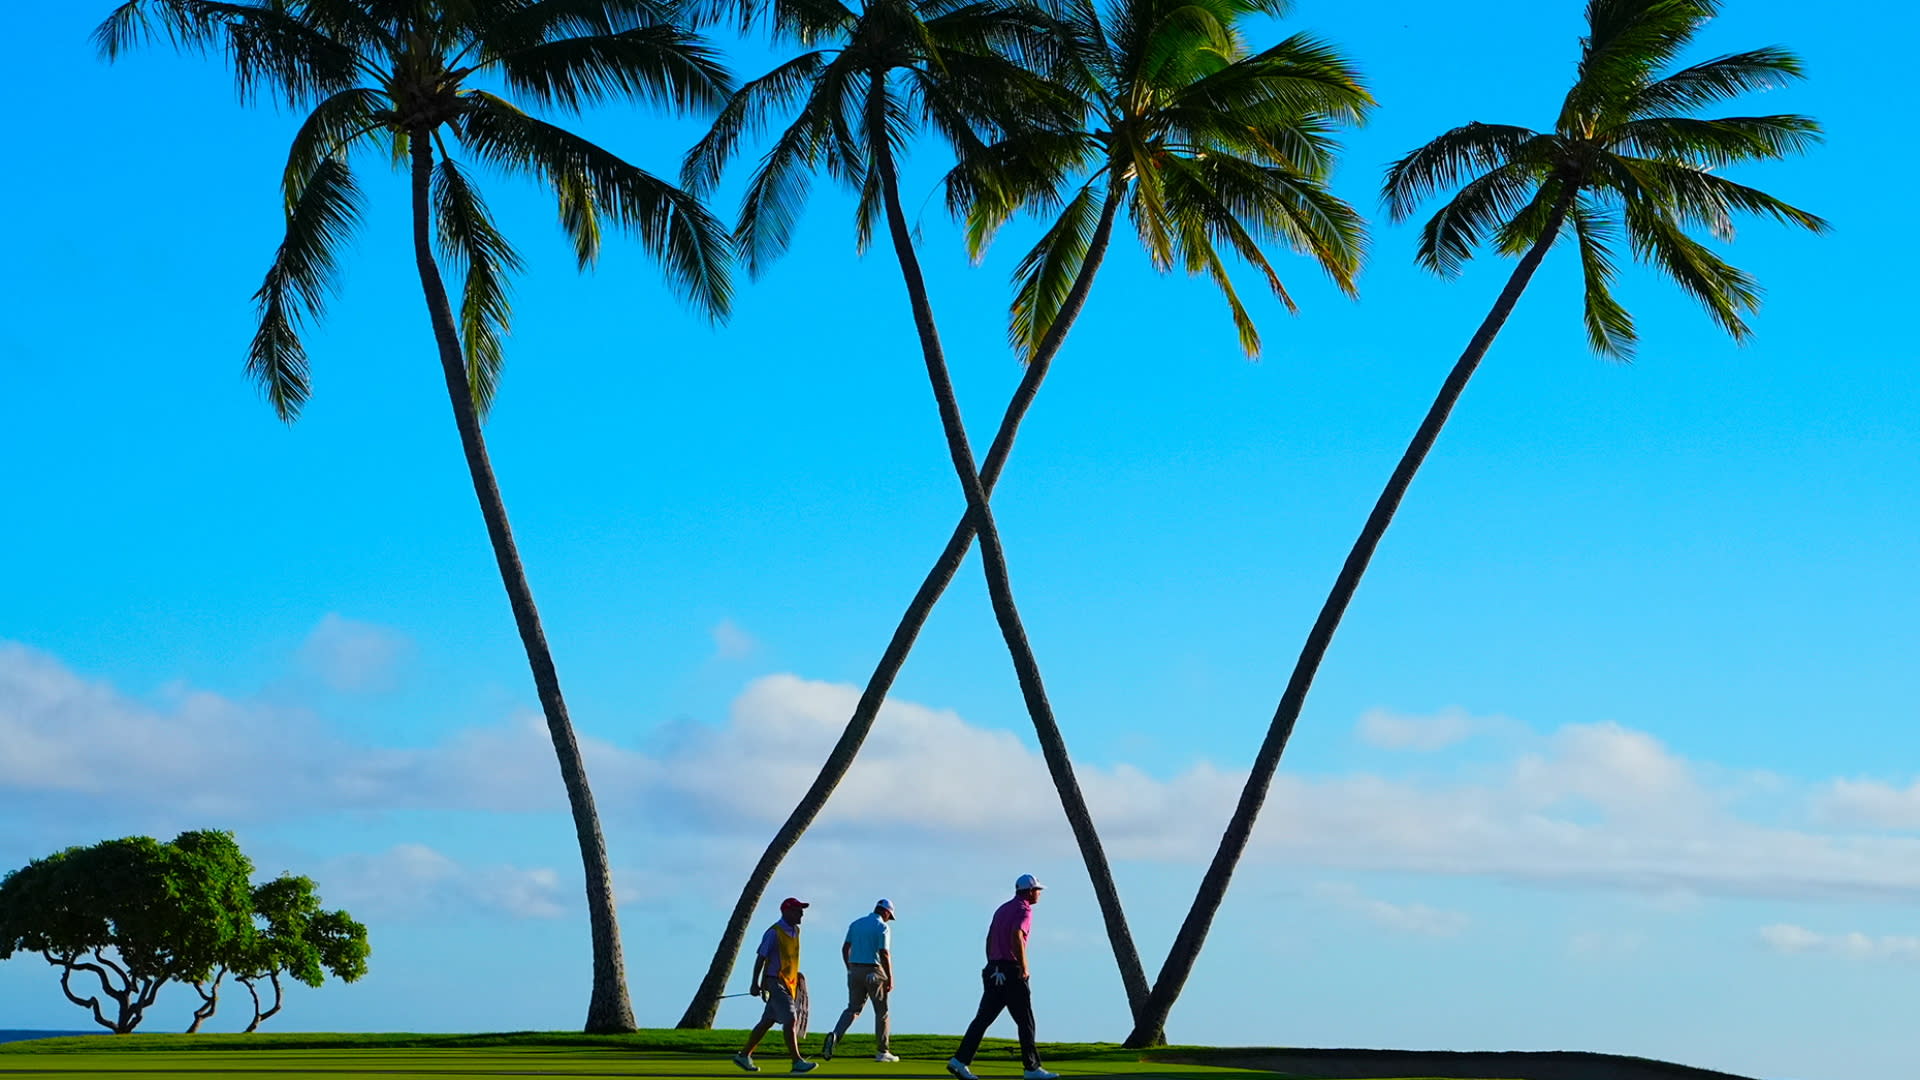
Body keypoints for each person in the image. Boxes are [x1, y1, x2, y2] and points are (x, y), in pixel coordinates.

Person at [947, 875, 1058, 1080]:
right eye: (1038, 890)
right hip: (1011, 970)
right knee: (1026, 1021)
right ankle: (1031, 1068)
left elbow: (989, 937)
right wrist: (1023, 966)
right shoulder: (1024, 909)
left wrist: (992, 963)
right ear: (1030, 891)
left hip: (994, 970)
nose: (1039, 894)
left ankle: (959, 1061)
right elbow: (1017, 935)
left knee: (982, 1019)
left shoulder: (1002, 909)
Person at [733, 897, 818, 1074]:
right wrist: (755, 983)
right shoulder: (773, 932)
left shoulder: (796, 931)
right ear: (786, 911)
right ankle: (796, 1061)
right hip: (776, 982)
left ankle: (744, 1055)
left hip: (790, 984)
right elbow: (761, 958)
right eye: (797, 910)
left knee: (767, 1022)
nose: (801, 913)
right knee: (791, 1019)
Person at [823, 898, 897, 1062]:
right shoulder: (882, 927)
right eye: (889, 916)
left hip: (854, 970)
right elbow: (884, 953)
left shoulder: (856, 924)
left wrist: (849, 968)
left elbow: (845, 948)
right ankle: (882, 1051)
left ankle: (835, 1036)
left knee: (853, 1009)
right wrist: (890, 978)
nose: (888, 919)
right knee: (882, 1012)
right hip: (873, 970)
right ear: (885, 912)